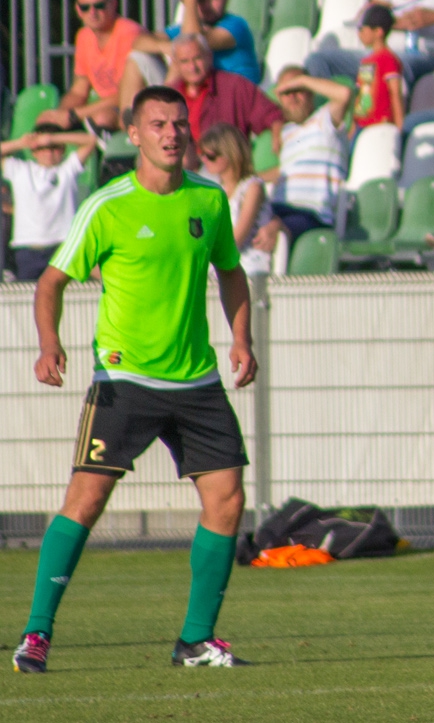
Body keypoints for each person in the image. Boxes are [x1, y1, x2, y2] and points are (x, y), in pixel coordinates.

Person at [13, 85, 257, 673]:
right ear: (134, 134)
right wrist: (50, 344)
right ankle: (37, 634)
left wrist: (242, 339)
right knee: (87, 498)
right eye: (158, 125)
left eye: (179, 123)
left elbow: (231, 272)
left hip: (196, 381)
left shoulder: (209, 200)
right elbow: (51, 281)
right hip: (125, 381)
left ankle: (195, 640)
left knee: (227, 500)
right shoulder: (107, 204)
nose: (172, 134)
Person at [51, 0, 166, 131]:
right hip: (107, 107)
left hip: (137, 105)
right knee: (46, 119)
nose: (92, 12)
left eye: (99, 6)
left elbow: (127, 94)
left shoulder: (128, 33)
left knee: (102, 117)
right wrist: (60, 114)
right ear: (78, 11)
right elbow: (79, 90)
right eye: (85, 7)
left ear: (113, 4)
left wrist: (75, 115)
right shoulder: (84, 36)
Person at [255, 67, 349, 252]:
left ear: (310, 92)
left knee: (272, 230)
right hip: (278, 207)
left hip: (312, 212)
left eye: (298, 90)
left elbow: (344, 94)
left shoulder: (324, 121)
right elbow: (285, 171)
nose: (292, 97)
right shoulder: (286, 133)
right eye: (286, 92)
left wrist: (303, 80)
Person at [1, 114, 96, 281]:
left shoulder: (68, 169)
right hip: (28, 248)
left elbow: (91, 141)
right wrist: (21, 143)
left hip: (63, 246)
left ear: (63, 150)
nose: (49, 153)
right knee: (27, 300)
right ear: (34, 151)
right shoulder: (20, 170)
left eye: (55, 147)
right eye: (43, 148)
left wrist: (52, 137)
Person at [168, 35, 282, 167]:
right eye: (185, 61)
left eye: (197, 58)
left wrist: (277, 135)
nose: (192, 67)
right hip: (181, 168)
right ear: (175, 64)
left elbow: (272, 114)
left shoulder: (234, 86)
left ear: (209, 56)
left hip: (223, 168)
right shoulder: (169, 95)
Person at [198, 123, 273, 278]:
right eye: (202, 154)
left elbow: (237, 238)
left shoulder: (252, 187)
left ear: (229, 154)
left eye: (210, 156)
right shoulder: (214, 190)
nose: (204, 159)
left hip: (247, 263)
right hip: (219, 261)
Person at [161, 0, 261, 85]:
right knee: (141, 59)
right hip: (206, 91)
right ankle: (164, 99)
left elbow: (193, 41)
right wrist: (167, 47)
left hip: (238, 93)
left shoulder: (236, 25)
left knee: (182, 56)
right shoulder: (183, 28)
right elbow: (140, 40)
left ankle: (166, 99)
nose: (207, 5)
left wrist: (190, 0)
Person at [350, 4, 404, 131]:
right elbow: (362, 94)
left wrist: (399, 127)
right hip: (362, 125)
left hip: (380, 125)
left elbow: (395, 93)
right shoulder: (367, 61)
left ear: (378, 32)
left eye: (362, 29)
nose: (360, 34)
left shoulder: (389, 59)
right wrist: (353, 126)